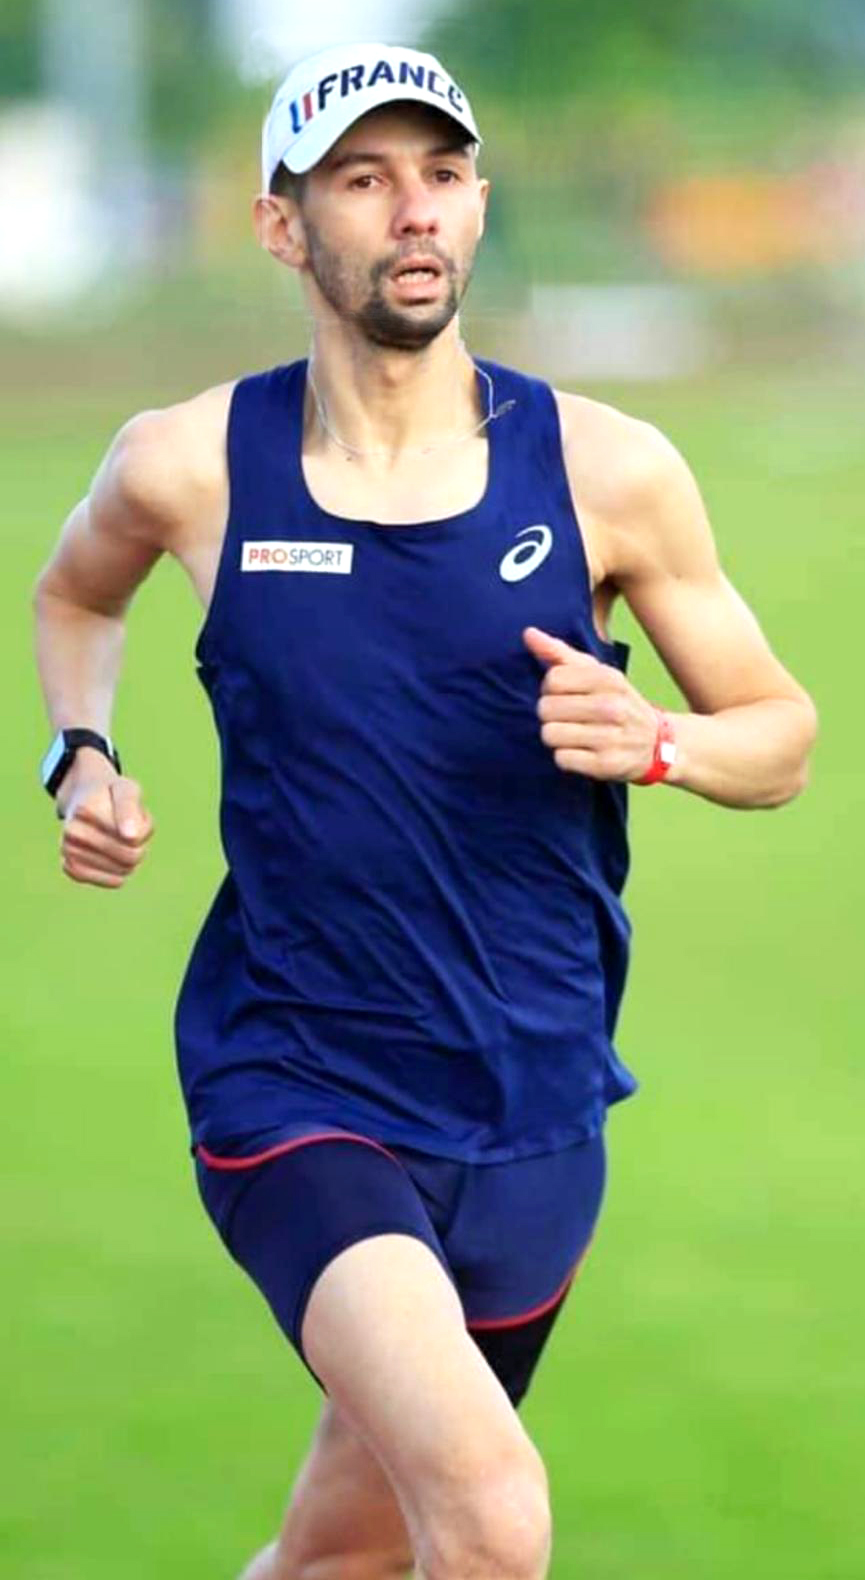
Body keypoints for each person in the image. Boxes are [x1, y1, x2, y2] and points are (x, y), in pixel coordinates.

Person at [33, 41, 817, 1580]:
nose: (414, 211)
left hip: (534, 1102)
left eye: (443, 175)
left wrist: (656, 739)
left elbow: (777, 736)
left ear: (477, 205)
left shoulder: (604, 470)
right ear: (281, 225)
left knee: (343, 1555)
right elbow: (75, 592)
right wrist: (81, 753)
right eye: (364, 179)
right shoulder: (190, 466)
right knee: (492, 1518)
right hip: (297, 1082)